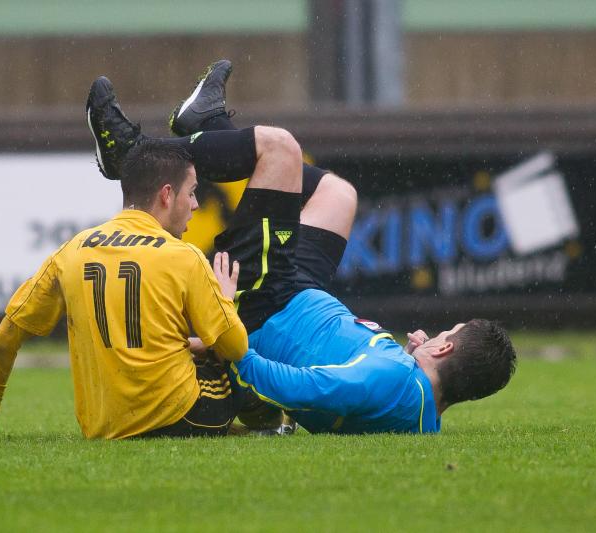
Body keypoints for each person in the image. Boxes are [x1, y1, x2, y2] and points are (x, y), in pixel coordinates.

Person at [171, 60, 517, 434]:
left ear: (443, 350)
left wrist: (228, 336)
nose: (435, 336)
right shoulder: (422, 414)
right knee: (338, 194)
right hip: (299, 292)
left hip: (266, 302)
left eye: (445, 334)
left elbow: (303, 388)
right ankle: (208, 125)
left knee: (281, 149)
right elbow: (366, 395)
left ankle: (141, 151)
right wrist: (412, 359)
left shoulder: (390, 377)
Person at [0, 75, 303, 440]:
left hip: (104, 426)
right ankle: (268, 427)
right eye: (192, 193)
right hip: (184, 416)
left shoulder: (72, 250)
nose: (196, 205)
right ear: (166, 195)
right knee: (247, 347)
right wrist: (226, 304)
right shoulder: (184, 256)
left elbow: (5, 335)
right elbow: (235, 346)